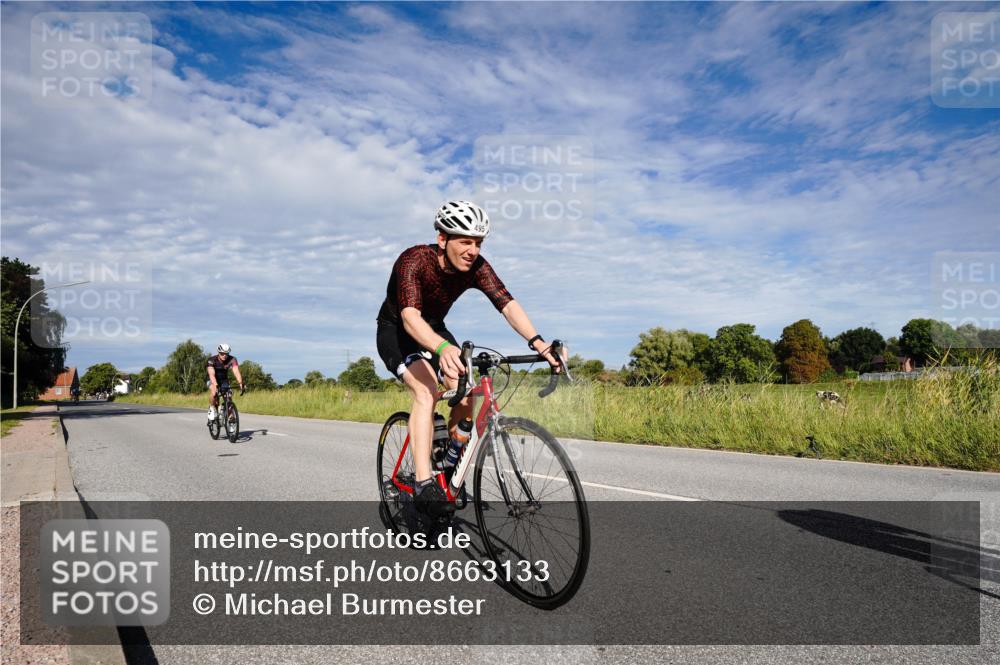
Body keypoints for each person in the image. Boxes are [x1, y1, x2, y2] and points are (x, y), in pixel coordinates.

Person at [376, 200, 559, 518]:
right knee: (426, 391)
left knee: (467, 386)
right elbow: (409, 317)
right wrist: (442, 349)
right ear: (443, 239)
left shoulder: (477, 267)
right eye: (465, 241)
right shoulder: (413, 260)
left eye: (478, 242)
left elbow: (506, 303)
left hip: (434, 327)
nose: (473, 250)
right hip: (397, 329)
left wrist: (539, 343)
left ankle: (448, 456)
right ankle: (423, 483)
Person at [207, 343, 244, 421]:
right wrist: (216, 385)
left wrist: (240, 383)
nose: (224, 355)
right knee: (214, 393)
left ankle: (230, 417)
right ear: (218, 353)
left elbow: (236, 371)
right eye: (222, 353)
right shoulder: (212, 360)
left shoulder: (232, 359)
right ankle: (212, 408)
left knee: (228, 397)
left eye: (226, 353)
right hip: (212, 379)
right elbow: (211, 374)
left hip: (224, 380)